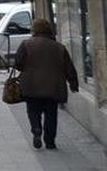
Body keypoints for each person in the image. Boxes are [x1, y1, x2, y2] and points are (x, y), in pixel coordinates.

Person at [13, 17, 79, 150]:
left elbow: (18, 63)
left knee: (33, 110)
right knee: (51, 114)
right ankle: (50, 141)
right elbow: (69, 67)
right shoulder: (59, 47)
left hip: (31, 85)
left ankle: (36, 129)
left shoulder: (26, 44)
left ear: (34, 30)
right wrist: (73, 83)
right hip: (53, 86)